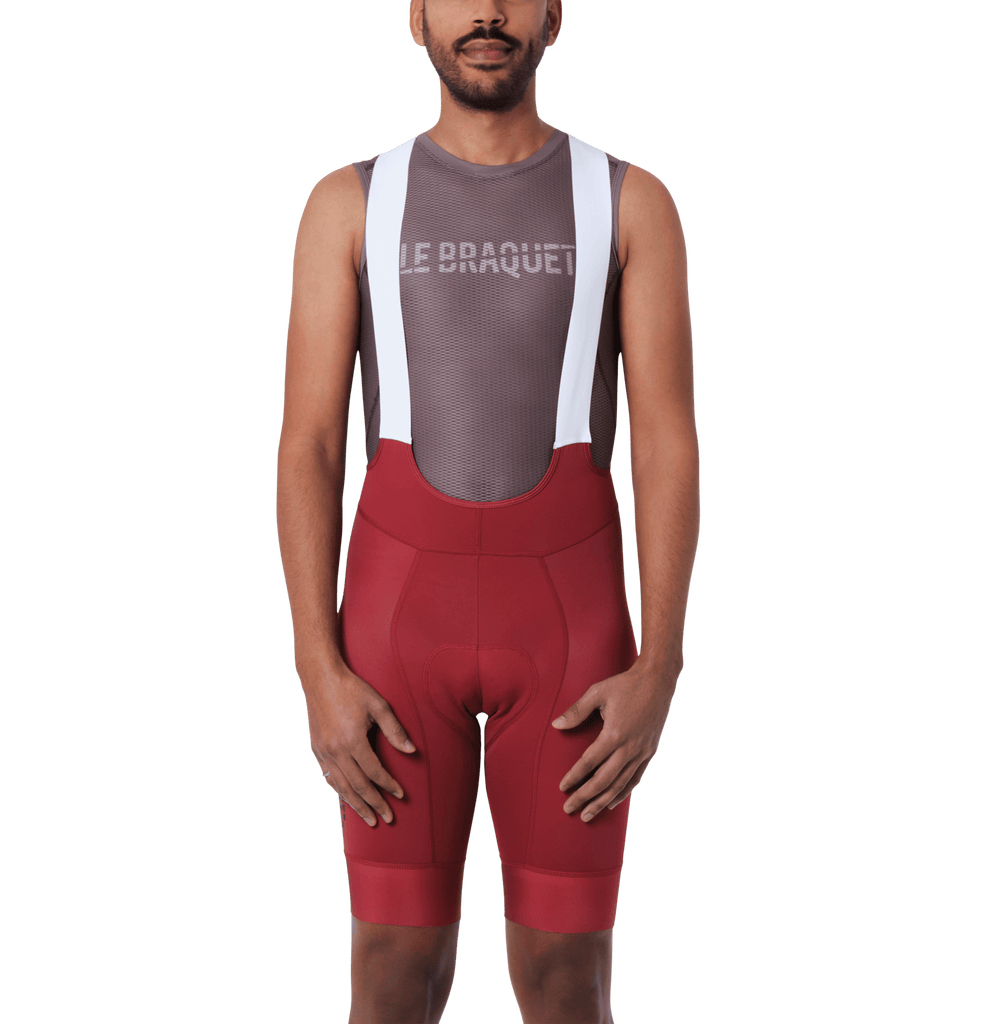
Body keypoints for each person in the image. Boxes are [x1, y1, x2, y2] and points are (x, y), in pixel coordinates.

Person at [274, 2, 700, 1021]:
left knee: (567, 977)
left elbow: (667, 444)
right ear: (416, 15)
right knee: (391, 968)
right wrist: (316, 667)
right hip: (394, 634)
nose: (488, 13)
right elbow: (309, 446)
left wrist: (660, 667)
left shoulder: (629, 200)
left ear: (554, 15)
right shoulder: (349, 201)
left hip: (569, 639)